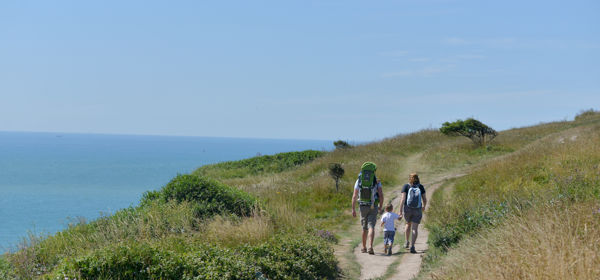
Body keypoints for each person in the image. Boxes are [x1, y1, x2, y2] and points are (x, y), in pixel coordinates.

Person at [352, 162, 384, 255]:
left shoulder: (359, 180)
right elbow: (381, 195)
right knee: (371, 226)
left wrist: (353, 209)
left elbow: (354, 196)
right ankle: (370, 246)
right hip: (373, 205)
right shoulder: (377, 181)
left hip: (362, 206)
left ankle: (363, 247)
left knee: (364, 227)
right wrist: (380, 206)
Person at [399, 173, 427, 254]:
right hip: (417, 209)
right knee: (414, 228)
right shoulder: (420, 187)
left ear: (409, 179)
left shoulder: (406, 186)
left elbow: (403, 199)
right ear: (418, 178)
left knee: (408, 224)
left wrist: (400, 211)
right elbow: (424, 199)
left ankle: (406, 242)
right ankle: (412, 246)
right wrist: (424, 206)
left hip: (407, 208)